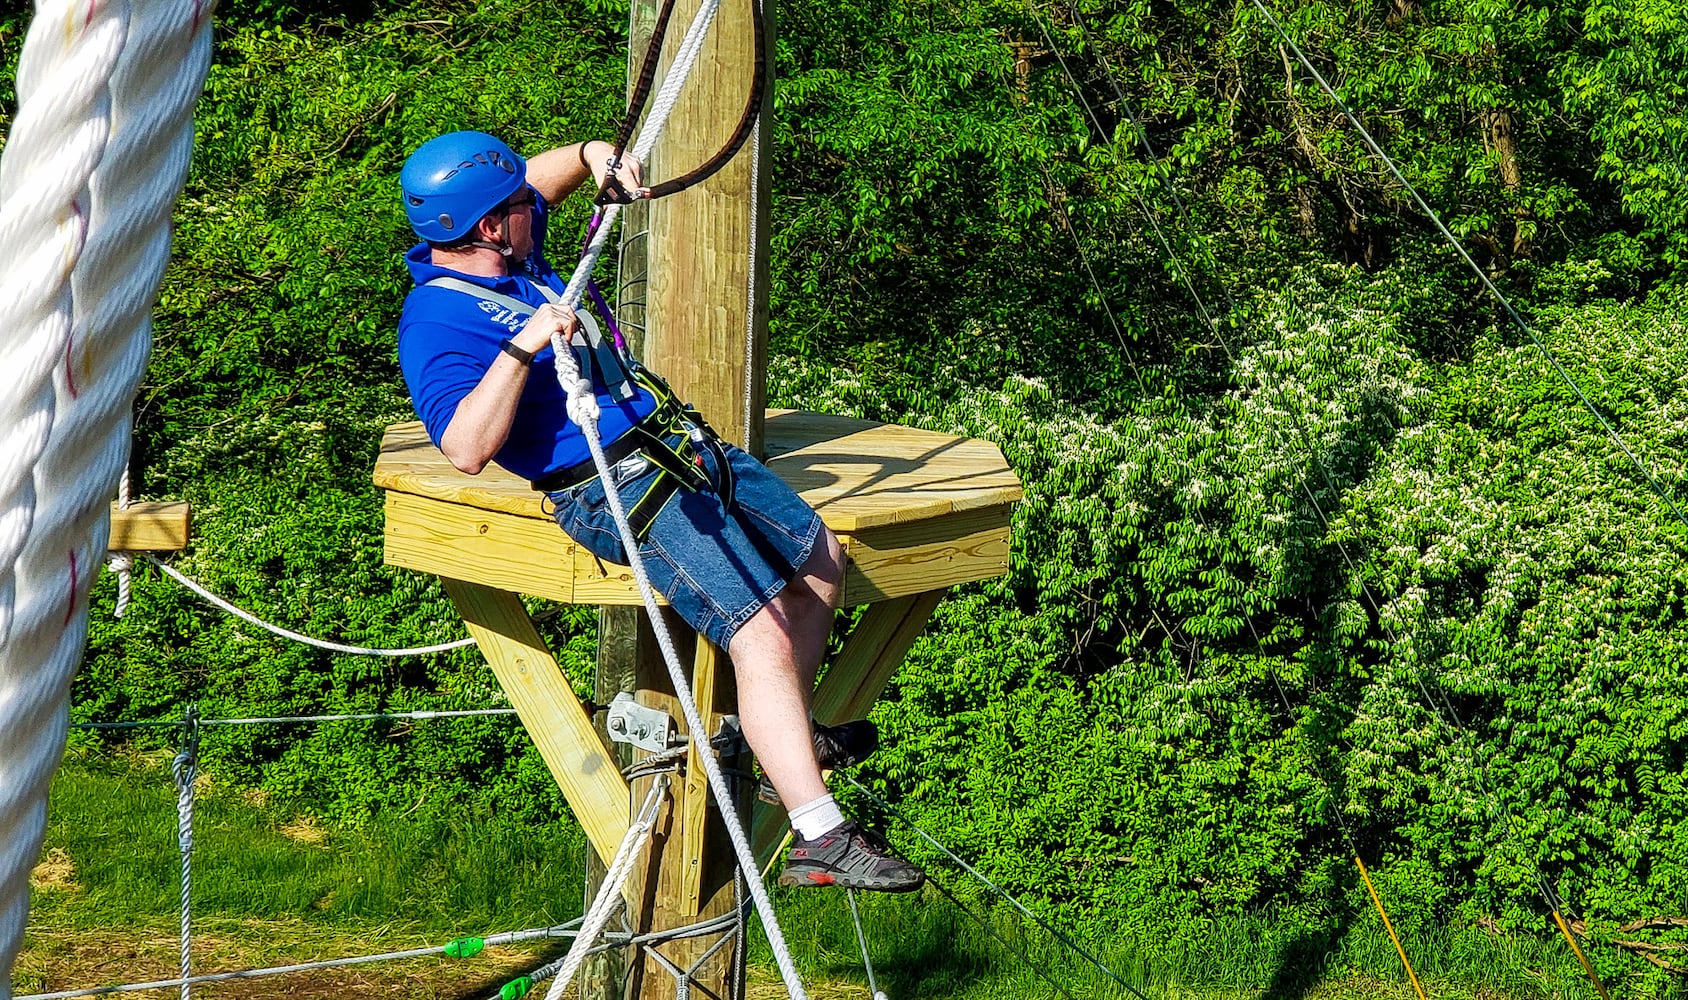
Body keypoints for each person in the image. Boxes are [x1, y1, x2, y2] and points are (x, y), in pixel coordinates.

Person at [395, 130, 924, 892]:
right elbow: (466, 447)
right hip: (610, 486)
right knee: (761, 629)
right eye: (516, 206)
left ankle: (776, 741)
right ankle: (821, 834)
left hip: (677, 443)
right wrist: (523, 352)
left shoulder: (512, 251)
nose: (532, 209)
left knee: (818, 556)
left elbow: (542, 179)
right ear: (486, 226)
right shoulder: (441, 322)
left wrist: (589, 154)